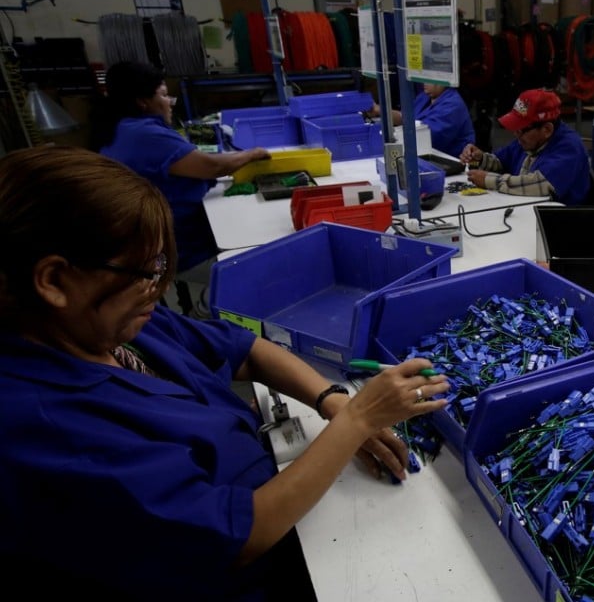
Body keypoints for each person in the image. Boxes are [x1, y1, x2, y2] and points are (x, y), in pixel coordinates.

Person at [0, 146, 450, 599]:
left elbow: (245, 349)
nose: (156, 287)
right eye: (144, 270)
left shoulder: (107, 326)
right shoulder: (47, 430)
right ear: (55, 281)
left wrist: (332, 401)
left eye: (160, 267)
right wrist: (358, 421)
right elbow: (240, 536)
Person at [96, 61, 270, 315]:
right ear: (143, 101)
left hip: (160, 238)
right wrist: (253, 154)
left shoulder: (119, 129)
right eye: (164, 95)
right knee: (259, 265)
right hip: (178, 248)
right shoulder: (143, 134)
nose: (169, 102)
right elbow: (210, 166)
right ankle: (202, 314)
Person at [459, 88, 590, 205]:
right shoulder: (527, 140)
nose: (516, 135)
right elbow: (501, 162)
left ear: (547, 130)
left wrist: (489, 180)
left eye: (521, 130)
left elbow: (538, 184)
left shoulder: (569, 149)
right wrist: (480, 158)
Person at [374, 83, 475, 157]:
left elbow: (426, 136)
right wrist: (379, 110)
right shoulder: (425, 97)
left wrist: (381, 110)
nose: (424, 83)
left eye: (429, 79)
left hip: (452, 162)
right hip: (425, 156)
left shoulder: (453, 104)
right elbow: (405, 118)